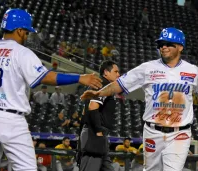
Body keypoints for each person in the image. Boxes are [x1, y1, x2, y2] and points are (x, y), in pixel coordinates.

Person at [0, 9, 102, 171]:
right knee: (27, 168)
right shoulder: (21, 53)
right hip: (8, 118)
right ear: (19, 30)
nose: (26, 35)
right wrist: (80, 78)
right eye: (26, 31)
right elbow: (46, 77)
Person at [81, 27, 196, 171]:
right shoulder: (147, 68)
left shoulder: (193, 71)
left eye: (168, 43)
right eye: (161, 44)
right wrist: (100, 93)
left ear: (180, 47)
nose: (163, 47)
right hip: (153, 131)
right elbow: (119, 84)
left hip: (180, 133)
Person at [79, 60, 120, 171]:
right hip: (94, 134)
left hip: (96, 135)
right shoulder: (103, 84)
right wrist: (98, 131)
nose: (118, 74)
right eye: (116, 71)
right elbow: (93, 106)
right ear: (106, 72)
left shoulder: (101, 84)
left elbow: (84, 112)